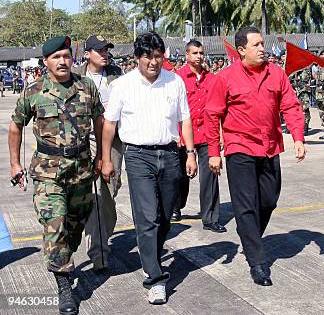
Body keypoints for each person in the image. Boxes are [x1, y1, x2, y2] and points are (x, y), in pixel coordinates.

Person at [8, 36, 104, 314]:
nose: (62, 61)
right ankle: (64, 285)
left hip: (82, 168)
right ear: (45, 62)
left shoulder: (86, 87)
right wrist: (15, 164)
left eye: (66, 56)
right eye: (56, 57)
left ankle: (64, 255)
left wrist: (103, 157)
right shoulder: (33, 91)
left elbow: (100, 121)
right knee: (56, 222)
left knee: (75, 225)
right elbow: (16, 127)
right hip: (47, 170)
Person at [204, 26, 306, 287]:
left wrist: (297, 137)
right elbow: (212, 115)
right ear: (241, 50)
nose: (263, 49)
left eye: (263, 44)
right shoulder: (225, 78)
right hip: (240, 148)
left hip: (270, 146)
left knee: (269, 200)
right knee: (246, 205)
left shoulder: (276, 74)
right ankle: (257, 261)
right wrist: (214, 152)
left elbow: (291, 106)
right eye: (257, 45)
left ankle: (249, 236)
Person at [100, 32, 198, 304]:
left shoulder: (174, 81)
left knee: (166, 215)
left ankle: (151, 254)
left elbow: (185, 119)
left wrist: (190, 153)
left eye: (158, 56)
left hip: (169, 153)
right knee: (147, 217)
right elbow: (109, 124)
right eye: (148, 56)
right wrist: (106, 159)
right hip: (137, 156)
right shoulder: (122, 85)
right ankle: (154, 277)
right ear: (137, 58)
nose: (154, 62)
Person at [72, 35, 124, 272]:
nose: (104, 54)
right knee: (92, 195)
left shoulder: (117, 74)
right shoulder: (76, 77)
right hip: (86, 141)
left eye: (106, 50)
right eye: (99, 50)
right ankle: (98, 251)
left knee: (109, 192)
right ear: (86, 54)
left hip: (113, 141)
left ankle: (101, 237)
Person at [174, 40, 226, 233]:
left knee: (210, 175)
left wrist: (220, 134)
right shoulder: (177, 79)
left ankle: (211, 217)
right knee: (179, 176)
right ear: (186, 55)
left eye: (201, 52)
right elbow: (172, 110)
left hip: (206, 134)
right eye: (194, 53)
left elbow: (219, 109)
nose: (198, 56)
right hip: (183, 135)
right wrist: (176, 134)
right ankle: (176, 206)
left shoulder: (212, 80)